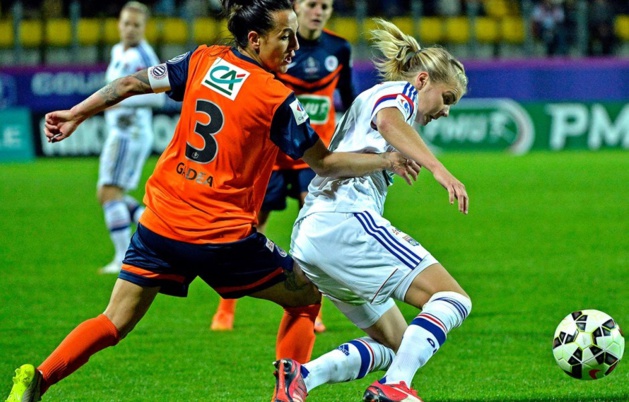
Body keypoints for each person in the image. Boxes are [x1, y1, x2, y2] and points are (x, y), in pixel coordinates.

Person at [4, 1, 416, 400]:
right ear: (255, 39)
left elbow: (129, 83)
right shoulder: (275, 98)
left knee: (113, 322)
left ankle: (38, 379)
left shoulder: (204, 59)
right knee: (307, 297)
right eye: (285, 37)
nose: (294, 47)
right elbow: (323, 162)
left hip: (160, 223)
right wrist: (386, 159)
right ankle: (289, 392)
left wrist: (76, 112)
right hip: (221, 237)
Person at [272, 18, 472, 402]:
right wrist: (439, 169)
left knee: (401, 344)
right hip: (346, 221)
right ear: (423, 80)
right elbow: (389, 120)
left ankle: (301, 377)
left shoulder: (389, 98)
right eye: (447, 99)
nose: (446, 111)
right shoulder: (397, 95)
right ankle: (396, 387)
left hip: (313, 237)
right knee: (452, 298)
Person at [210, 0, 355, 334]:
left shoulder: (339, 48)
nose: (319, 11)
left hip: (314, 154)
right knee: (251, 224)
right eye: (312, 4)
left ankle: (313, 307)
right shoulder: (278, 46)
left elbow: (348, 98)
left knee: (316, 229)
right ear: (297, 7)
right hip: (272, 154)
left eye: (326, 6)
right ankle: (225, 308)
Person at [98, 1, 166, 275]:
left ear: (143, 28)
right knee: (112, 194)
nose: (129, 29)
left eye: (136, 25)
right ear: (119, 24)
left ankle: (122, 256)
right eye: (126, 23)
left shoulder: (145, 56)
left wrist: (122, 104)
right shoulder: (117, 51)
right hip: (121, 132)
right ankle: (157, 229)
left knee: (109, 193)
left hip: (131, 132)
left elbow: (159, 97)